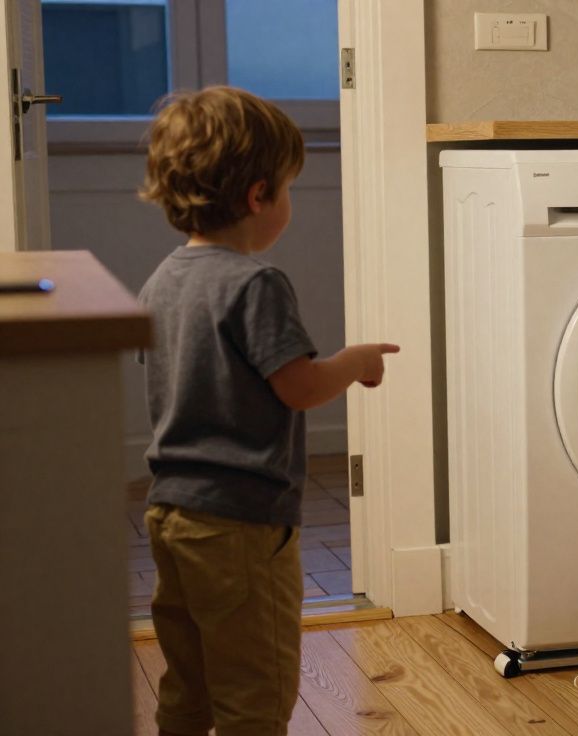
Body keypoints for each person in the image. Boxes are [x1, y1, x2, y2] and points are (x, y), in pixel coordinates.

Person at [137, 86, 399, 734]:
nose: (288, 201)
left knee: (189, 679)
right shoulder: (256, 284)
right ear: (259, 196)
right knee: (259, 685)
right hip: (241, 526)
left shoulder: (163, 279)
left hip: (170, 513)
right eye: (287, 188)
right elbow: (300, 386)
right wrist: (358, 360)